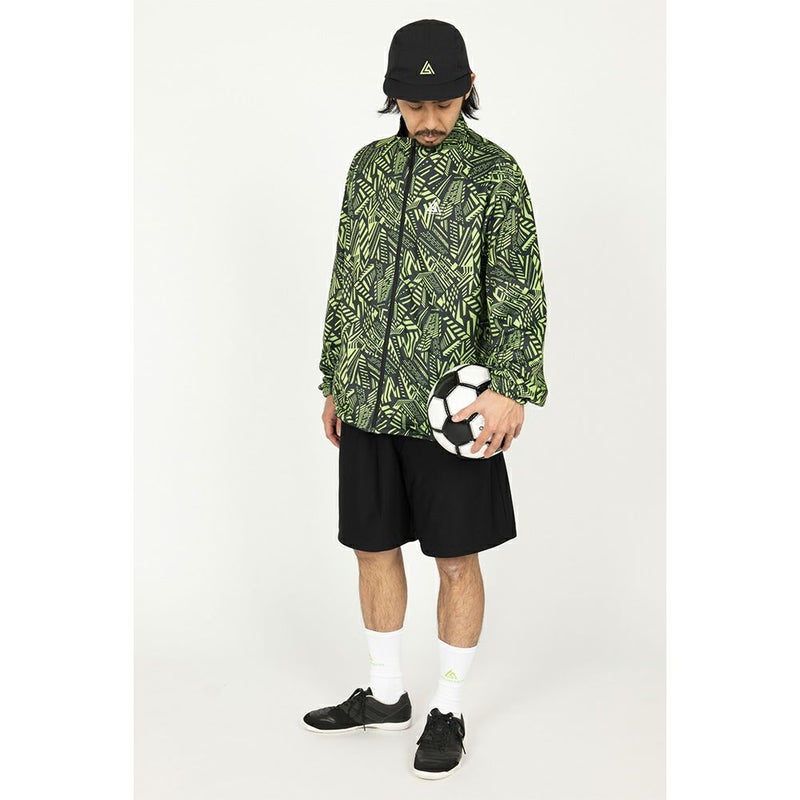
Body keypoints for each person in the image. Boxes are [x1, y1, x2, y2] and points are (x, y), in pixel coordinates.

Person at [302, 19, 548, 779]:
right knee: (371, 547)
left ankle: (448, 707)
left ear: (469, 90)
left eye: (443, 103)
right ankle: (385, 693)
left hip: (453, 411)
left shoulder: (496, 174)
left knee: (454, 558)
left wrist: (513, 389)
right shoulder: (368, 168)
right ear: (393, 97)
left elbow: (520, 288)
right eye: (414, 105)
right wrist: (334, 377)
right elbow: (347, 276)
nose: (430, 118)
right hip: (369, 399)